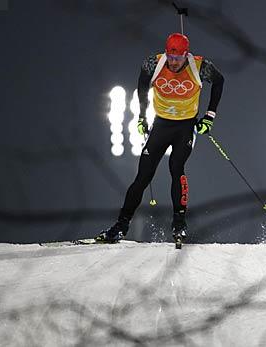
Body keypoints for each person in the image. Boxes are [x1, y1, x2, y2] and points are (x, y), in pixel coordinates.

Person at [96, 33, 224, 243]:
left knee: (176, 166)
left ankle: (179, 223)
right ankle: (121, 225)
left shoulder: (200, 66)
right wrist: (141, 117)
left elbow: (219, 82)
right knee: (143, 176)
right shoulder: (152, 63)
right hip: (161, 125)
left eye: (178, 58)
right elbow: (142, 87)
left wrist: (209, 116)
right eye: (170, 57)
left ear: (186, 54)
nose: (173, 62)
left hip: (186, 126)